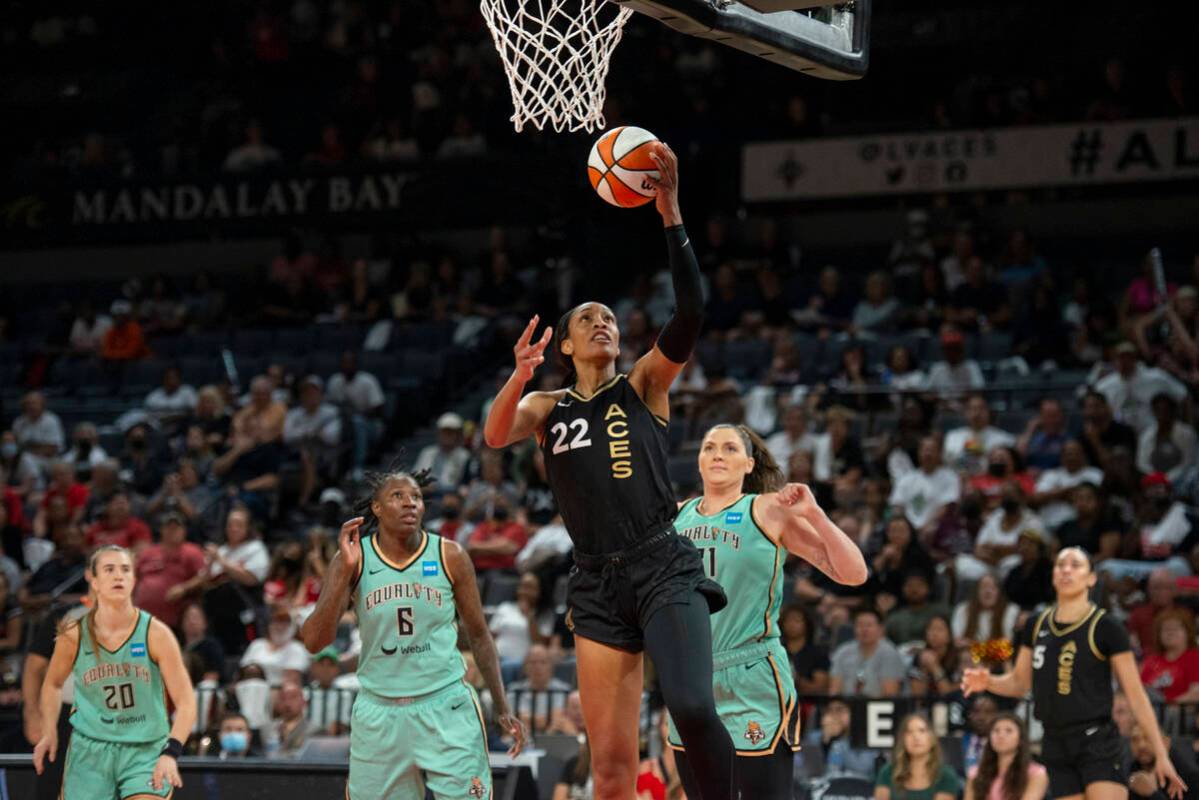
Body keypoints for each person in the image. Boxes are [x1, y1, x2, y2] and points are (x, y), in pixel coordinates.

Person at [482, 144, 738, 800]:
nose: (603, 323)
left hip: (661, 563)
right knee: (611, 770)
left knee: (690, 706)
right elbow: (491, 434)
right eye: (587, 319)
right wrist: (517, 375)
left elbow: (691, 314)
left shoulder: (644, 385)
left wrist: (669, 210)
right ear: (564, 345)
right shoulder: (546, 405)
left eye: (610, 319)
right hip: (595, 580)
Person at [666, 423, 867, 797]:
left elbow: (854, 573)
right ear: (697, 461)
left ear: (748, 463)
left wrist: (817, 515)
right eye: (709, 447)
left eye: (729, 448)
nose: (717, 455)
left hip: (752, 672)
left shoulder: (767, 508)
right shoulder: (674, 517)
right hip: (692, 677)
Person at [300, 468, 526, 799]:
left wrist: (502, 706)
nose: (410, 503)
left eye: (417, 497)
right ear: (376, 508)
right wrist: (342, 574)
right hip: (380, 712)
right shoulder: (354, 558)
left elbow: (479, 635)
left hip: (445, 704)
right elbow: (314, 641)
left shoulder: (450, 555)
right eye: (398, 496)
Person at [963, 547, 1188, 800]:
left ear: (1091, 578)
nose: (1066, 569)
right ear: (1053, 575)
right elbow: (1019, 683)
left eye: (1075, 565)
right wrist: (988, 681)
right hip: (1055, 741)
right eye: (1060, 564)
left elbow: (1136, 695)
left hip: (1096, 740)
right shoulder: (1035, 623)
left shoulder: (1107, 627)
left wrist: (1161, 754)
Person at [32, 545, 197, 798]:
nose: (118, 576)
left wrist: (170, 752)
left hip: (145, 748)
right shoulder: (74, 633)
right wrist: (49, 731)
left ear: (133, 579)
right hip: (90, 751)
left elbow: (186, 701)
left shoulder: (156, 633)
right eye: (109, 569)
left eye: (125, 570)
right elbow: (53, 683)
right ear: (93, 580)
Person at [874, 713, 963, 800]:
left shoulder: (946, 775)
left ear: (931, 738)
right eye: (909, 732)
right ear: (903, 740)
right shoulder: (887, 772)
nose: (916, 737)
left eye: (922, 731)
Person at [964, 713, 1048, 800]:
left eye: (1009, 731)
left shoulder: (1036, 774)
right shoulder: (975, 773)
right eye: (996, 731)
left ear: (1020, 739)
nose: (1001, 736)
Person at [829, 608, 907, 697]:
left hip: (879, 706)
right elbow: (834, 690)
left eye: (869, 625)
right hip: (847, 706)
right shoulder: (843, 652)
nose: (864, 629)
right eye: (860, 625)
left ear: (881, 629)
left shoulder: (890, 654)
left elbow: (890, 693)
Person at [1138, 610, 1199, 703]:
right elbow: (1140, 690)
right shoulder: (1151, 660)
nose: (1170, 633)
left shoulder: (1195, 657)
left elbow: (1196, 693)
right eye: (1166, 629)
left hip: (1181, 712)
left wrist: (1169, 705)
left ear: (1188, 632)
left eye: (1175, 628)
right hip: (1152, 709)